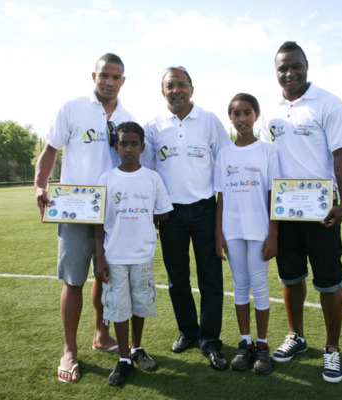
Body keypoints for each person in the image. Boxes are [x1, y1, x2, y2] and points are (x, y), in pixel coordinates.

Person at [34, 53, 136, 383]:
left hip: (114, 210)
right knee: (74, 279)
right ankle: (69, 350)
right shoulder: (72, 107)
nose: (109, 82)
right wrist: (40, 184)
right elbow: (51, 149)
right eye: (104, 75)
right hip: (76, 207)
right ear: (94, 76)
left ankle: (100, 334)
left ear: (123, 81)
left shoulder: (128, 117)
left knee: (106, 276)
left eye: (115, 77)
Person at [260, 41, 342, 383]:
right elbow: (264, 161)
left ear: (306, 65)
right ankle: (297, 336)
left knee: (329, 280)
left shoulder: (328, 103)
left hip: (321, 211)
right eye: (282, 68)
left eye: (295, 66)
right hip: (285, 212)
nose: (289, 73)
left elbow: (341, 156)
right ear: (276, 72)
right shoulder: (268, 109)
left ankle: (332, 348)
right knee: (290, 277)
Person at [141, 66, 232, 370]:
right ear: (162, 91)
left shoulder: (209, 120)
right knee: (177, 278)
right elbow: (146, 169)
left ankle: (210, 340)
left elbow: (225, 162)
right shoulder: (153, 125)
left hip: (205, 209)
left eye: (181, 85)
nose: (176, 90)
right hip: (170, 214)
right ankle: (187, 332)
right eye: (170, 86)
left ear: (192, 88)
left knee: (210, 278)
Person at [95, 121, 173, 386]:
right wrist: (100, 256)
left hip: (142, 254)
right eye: (123, 144)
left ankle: (137, 347)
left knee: (140, 303)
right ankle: (124, 357)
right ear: (116, 146)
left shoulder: (152, 178)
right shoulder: (107, 179)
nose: (128, 149)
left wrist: (145, 215)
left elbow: (163, 211)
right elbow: (98, 221)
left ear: (142, 146)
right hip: (114, 256)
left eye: (133, 144)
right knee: (118, 307)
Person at [214, 93, 279, 374]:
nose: (242, 119)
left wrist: (273, 233)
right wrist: (219, 234)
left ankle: (262, 346)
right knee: (240, 285)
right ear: (230, 118)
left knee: (259, 284)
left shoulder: (267, 151)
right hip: (232, 229)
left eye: (248, 113)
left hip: (260, 229)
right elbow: (221, 197)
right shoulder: (224, 153)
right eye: (236, 114)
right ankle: (245, 343)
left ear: (256, 115)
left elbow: (273, 194)